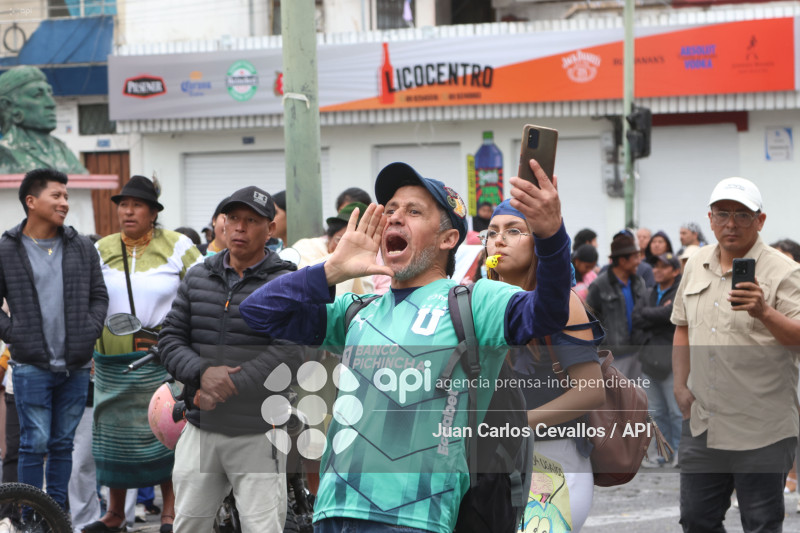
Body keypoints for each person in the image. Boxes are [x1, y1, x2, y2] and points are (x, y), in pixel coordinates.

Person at [239, 159, 572, 533]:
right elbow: (256, 312)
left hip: (416, 518)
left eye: (414, 211)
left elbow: (549, 313)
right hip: (334, 511)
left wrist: (551, 236)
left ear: (448, 239)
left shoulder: (475, 302)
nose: (395, 217)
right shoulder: (356, 310)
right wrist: (330, 270)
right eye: (391, 210)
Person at [159, 186, 302, 533]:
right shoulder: (198, 276)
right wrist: (202, 374)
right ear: (222, 223)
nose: (239, 227)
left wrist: (227, 385)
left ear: (270, 229)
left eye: (251, 220)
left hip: (258, 431)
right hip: (200, 427)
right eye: (233, 218)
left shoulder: (286, 282)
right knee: (188, 525)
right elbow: (170, 338)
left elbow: (290, 352)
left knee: (262, 527)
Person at [671, 177, 800, 532]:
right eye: (722, 214)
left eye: (743, 215)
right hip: (703, 422)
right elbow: (682, 326)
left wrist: (765, 312)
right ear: (710, 219)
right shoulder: (695, 263)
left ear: (760, 221)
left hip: (762, 427)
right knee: (696, 519)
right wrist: (680, 387)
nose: (731, 223)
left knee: (760, 523)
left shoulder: (784, 271)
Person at [86, 176, 202, 533]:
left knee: (164, 430)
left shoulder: (178, 246)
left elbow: (203, 288)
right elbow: (88, 297)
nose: (128, 211)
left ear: (153, 212)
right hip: (110, 363)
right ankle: (114, 513)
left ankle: (169, 512)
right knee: (112, 435)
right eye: (123, 205)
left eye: (137, 205)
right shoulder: (101, 248)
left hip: (160, 359)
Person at [483, 199, 604, 532]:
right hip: (493, 463)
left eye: (513, 231)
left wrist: (518, 423)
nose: (499, 240)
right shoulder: (479, 299)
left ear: (540, 244)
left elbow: (592, 391)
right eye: (492, 232)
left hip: (553, 459)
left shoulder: (564, 302)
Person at [0, 169, 108, 511]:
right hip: (30, 364)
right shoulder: (7, 248)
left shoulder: (81, 246)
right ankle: (32, 519)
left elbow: (99, 296)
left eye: (66, 196)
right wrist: (14, 334)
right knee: (34, 444)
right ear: (31, 201)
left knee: (62, 445)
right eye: (57, 196)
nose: (64, 203)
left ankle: (57, 517)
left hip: (76, 365)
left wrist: (89, 331)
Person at [632, 252, 682, 467]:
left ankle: (681, 452)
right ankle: (665, 452)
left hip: (672, 361)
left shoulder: (680, 292)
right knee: (656, 412)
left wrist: (652, 314)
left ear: (675, 271)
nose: (657, 270)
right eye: (655, 266)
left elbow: (672, 315)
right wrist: (659, 313)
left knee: (676, 412)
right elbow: (636, 318)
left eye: (663, 266)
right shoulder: (649, 292)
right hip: (649, 360)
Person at [0, 66, 87, 174]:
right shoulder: (5, 152)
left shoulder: (63, 150)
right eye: (37, 95)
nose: (51, 104)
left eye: (50, 94)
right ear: (8, 105)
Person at [586, 232, 648, 380]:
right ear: (622, 260)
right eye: (635, 257)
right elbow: (588, 320)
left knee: (638, 393)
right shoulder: (599, 286)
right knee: (616, 394)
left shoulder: (639, 282)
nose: (639, 262)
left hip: (638, 354)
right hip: (614, 357)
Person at [292, 202, 374, 296]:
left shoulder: (363, 265)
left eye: (355, 245)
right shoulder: (306, 246)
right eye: (340, 240)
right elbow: (297, 282)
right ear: (330, 236)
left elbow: (366, 294)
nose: (344, 248)